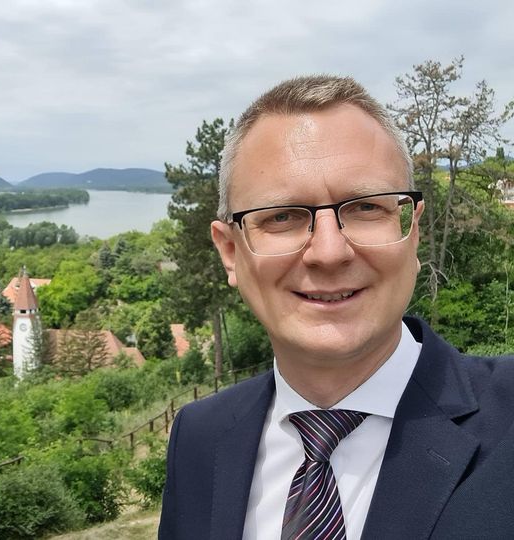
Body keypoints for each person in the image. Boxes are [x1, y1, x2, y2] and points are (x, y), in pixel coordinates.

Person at [158, 75, 514, 539]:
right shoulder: (198, 438)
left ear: (412, 232)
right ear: (230, 251)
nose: (329, 253)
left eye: (366, 208)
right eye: (282, 216)